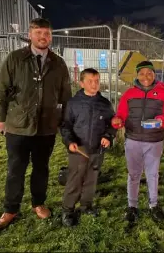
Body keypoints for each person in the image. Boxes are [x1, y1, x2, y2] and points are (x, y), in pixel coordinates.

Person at [0, 18, 72, 231]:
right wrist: (1, 119)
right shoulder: (15, 59)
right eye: (38, 33)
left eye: (46, 33)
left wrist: (64, 121)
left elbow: (66, 95)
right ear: (30, 35)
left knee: (41, 169)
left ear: (51, 36)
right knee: (15, 169)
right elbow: (1, 89)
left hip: (46, 127)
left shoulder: (58, 63)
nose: (42, 37)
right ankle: (10, 209)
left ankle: (38, 203)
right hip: (18, 125)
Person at [111, 61, 164, 223]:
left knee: (152, 174)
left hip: (154, 141)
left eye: (149, 73)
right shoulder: (129, 94)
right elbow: (121, 114)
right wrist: (118, 120)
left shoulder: (163, 94)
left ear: (155, 74)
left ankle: (153, 205)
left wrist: (161, 121)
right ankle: (132, 206)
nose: (145, 76)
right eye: (142, 73)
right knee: (133, 174)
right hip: (133, 140)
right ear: (137, 75)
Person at [60, 68, 117, 227]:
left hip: (97, 150)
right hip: (79, 149)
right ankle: (68, 210)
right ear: (82, 83)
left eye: (97, 81)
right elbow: (65, 126)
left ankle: (86, 206)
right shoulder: (73, 103)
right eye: (90, 81)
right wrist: (69, 141)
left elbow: (112, 124)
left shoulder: (105, 104)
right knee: (75, 180)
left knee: (91, 179)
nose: (94, 84)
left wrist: (108, 136)